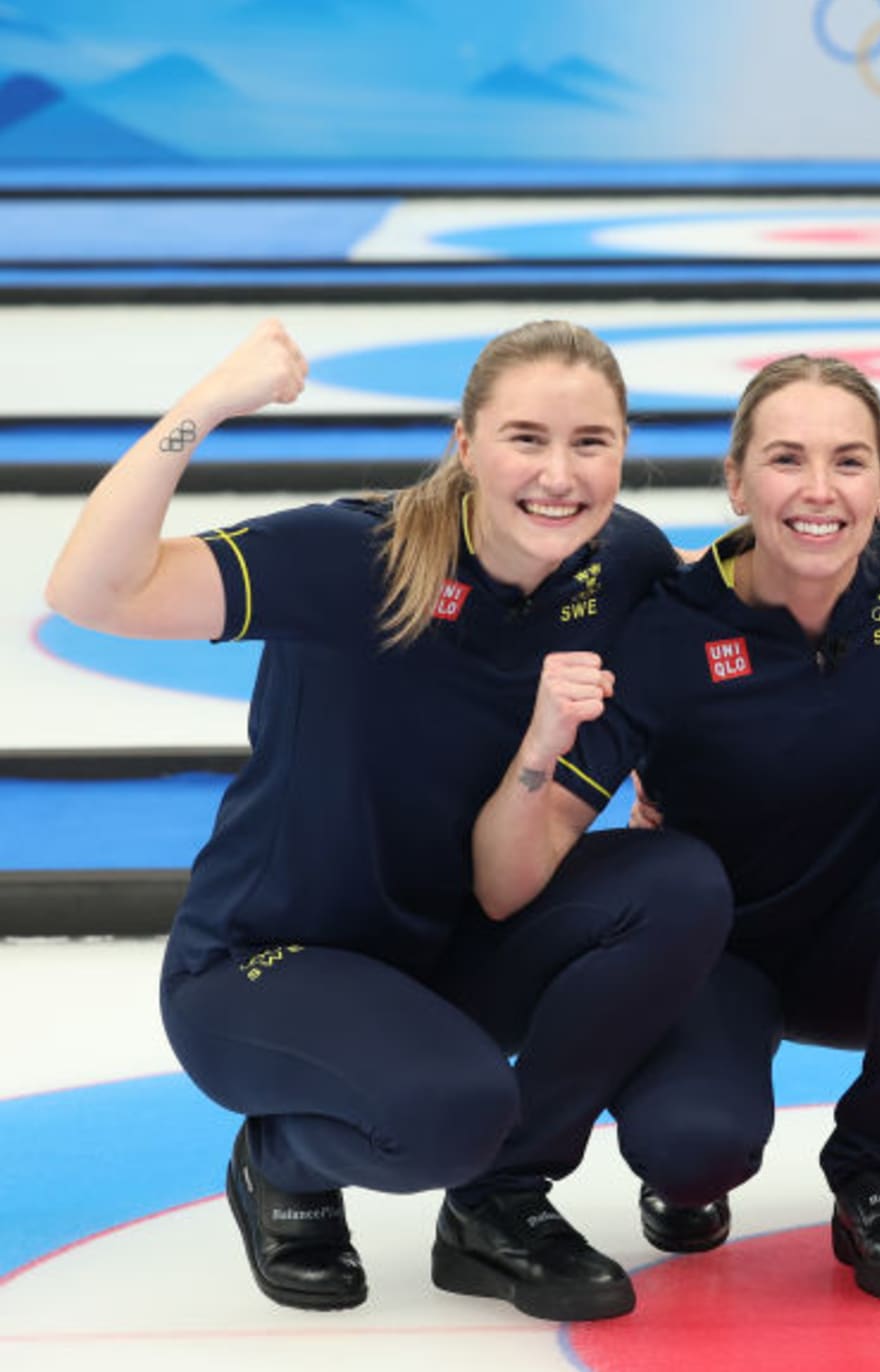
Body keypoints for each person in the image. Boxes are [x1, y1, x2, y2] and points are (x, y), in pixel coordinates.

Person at [42, 320, 735, 1322]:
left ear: (624, 450)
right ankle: (282, 1155)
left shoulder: (619, 561)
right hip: (263, 963)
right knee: (449, 1113)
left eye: (591, 442)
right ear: (465, 444)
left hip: (443, 948)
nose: (559, 473)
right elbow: (90, 590)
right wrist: (209, 404)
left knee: (673, 882)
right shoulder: (352, 557)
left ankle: (501, 1201)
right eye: (525, 438)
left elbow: (751, 594)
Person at [470, 354, 880, 1303]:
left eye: (849, 462)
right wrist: (535, 753)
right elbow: (520, 865)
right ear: (734, 481)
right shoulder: (669, 634)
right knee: (692, 1149)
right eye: (785, 460)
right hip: (712, 958)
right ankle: (681, 1168)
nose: (818, 491)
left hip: (864, 947)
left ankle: (877, 1170)